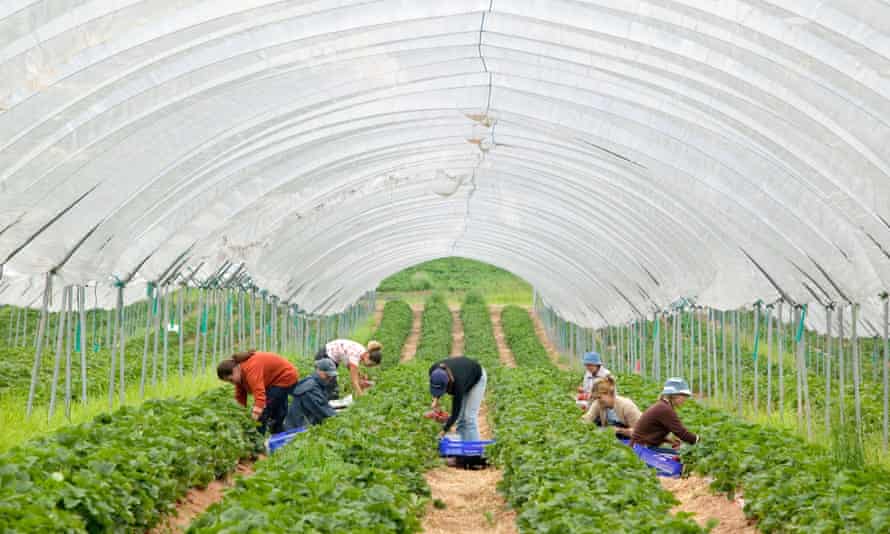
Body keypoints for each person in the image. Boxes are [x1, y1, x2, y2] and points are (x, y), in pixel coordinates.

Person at [217, 350, 299, 434]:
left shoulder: (251, 368)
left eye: (231, 379)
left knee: (264, 411)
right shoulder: (239, 374)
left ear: (235, 369)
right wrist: (239, 416)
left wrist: (254, 417)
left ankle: (257, 439)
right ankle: (279, 436)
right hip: (272, 382)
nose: (232, 383)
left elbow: (259, 395)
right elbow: (240, 398)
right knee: (276, 412)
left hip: (285, 377)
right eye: (229, 381)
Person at [631, 377, 699, 453]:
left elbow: (651, 431)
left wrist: (668, 440)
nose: (685, 399)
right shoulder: (664, 409)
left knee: (678, 454)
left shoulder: (662, 405)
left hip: (639, 446)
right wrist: (698, 440)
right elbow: (681, 432)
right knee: (681, 456)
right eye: (684, 396)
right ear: (675, 395)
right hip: (642, 449)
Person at [429, 356, 487, 442]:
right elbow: (437, 385)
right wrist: (435, 400)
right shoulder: (433, 370)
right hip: (465, 373)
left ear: (448, 382)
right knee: (461, 419)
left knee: (469, 418)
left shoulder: (458, 384)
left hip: (477, 377)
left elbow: (455, 413)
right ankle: (462, 448)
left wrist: (443, 432)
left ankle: (475, 452)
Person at [284, 358, 338, 430]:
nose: (330, 378)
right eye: (327, 375)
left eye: (331, 376)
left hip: (294, 425)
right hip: (298, 430)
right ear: (318, 371)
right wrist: (340, 419)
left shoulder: (314, 381)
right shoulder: (311, 388)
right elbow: (323, 411)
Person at [316, 339, 382, 397]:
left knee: (329, 386)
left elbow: (351, 368)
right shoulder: (355, 355)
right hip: (325, 355)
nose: (369, 367)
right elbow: (354, 381)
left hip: (330, 356)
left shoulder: (362, 352)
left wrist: (360, 378)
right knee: (331, 387)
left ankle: (323, 403)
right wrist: (362, 396)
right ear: (367, 356)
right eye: (370, 364)